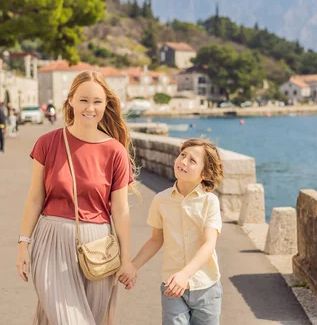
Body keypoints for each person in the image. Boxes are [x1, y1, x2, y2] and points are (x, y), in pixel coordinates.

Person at [16, 70, 139, 324]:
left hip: (99, 248)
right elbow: (35, 198)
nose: (90, 108)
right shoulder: (47, 143)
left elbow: (121, 210)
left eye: (97, 101)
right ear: (70, 100)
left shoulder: (115, 151)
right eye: (83, 100)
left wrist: (126, 260)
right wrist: (23, 244)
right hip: (51, 242)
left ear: (106, 105)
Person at [130, 138, 224, 325]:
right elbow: (156, 240)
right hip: (172, 287)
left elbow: (209, 244)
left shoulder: (209, 201)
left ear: (205, 173)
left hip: (206, 287)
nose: (183, 161)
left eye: (192, 160)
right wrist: (133, 266)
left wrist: (185, 274)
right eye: (182, 155)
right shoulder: (161, 200)